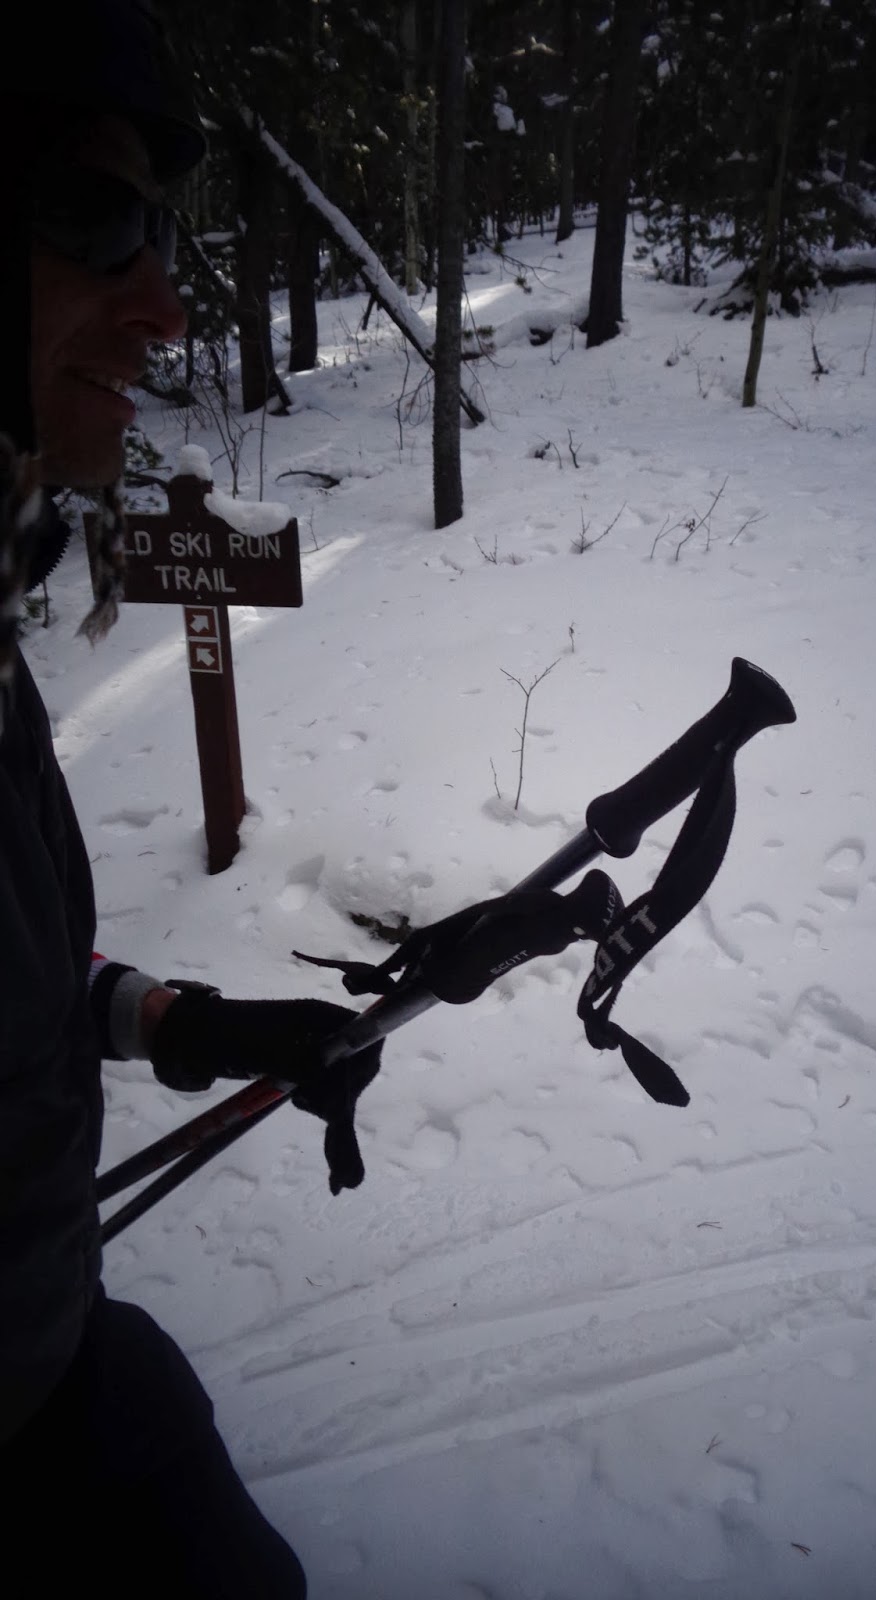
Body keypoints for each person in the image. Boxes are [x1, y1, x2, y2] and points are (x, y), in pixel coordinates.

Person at [1, 4, 382, 1591]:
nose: (163, 304)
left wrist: (177, 1022)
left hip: (58, 1356)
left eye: (160, 235)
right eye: (94, 218)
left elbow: (22, 988)